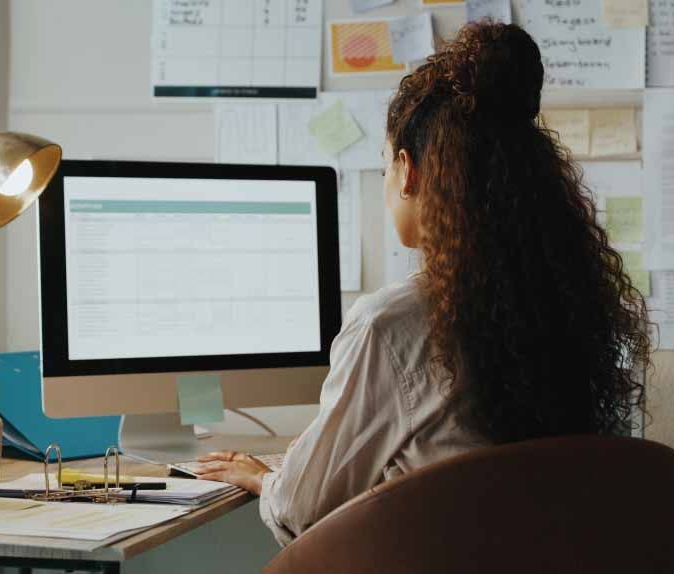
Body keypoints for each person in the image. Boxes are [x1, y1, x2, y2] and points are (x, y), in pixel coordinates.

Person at [190, 21, 650, 546]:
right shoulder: (576, 307)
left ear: (407, 171)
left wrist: (265, 477)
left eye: (384, 165)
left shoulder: (390, 325)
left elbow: (301, 510)